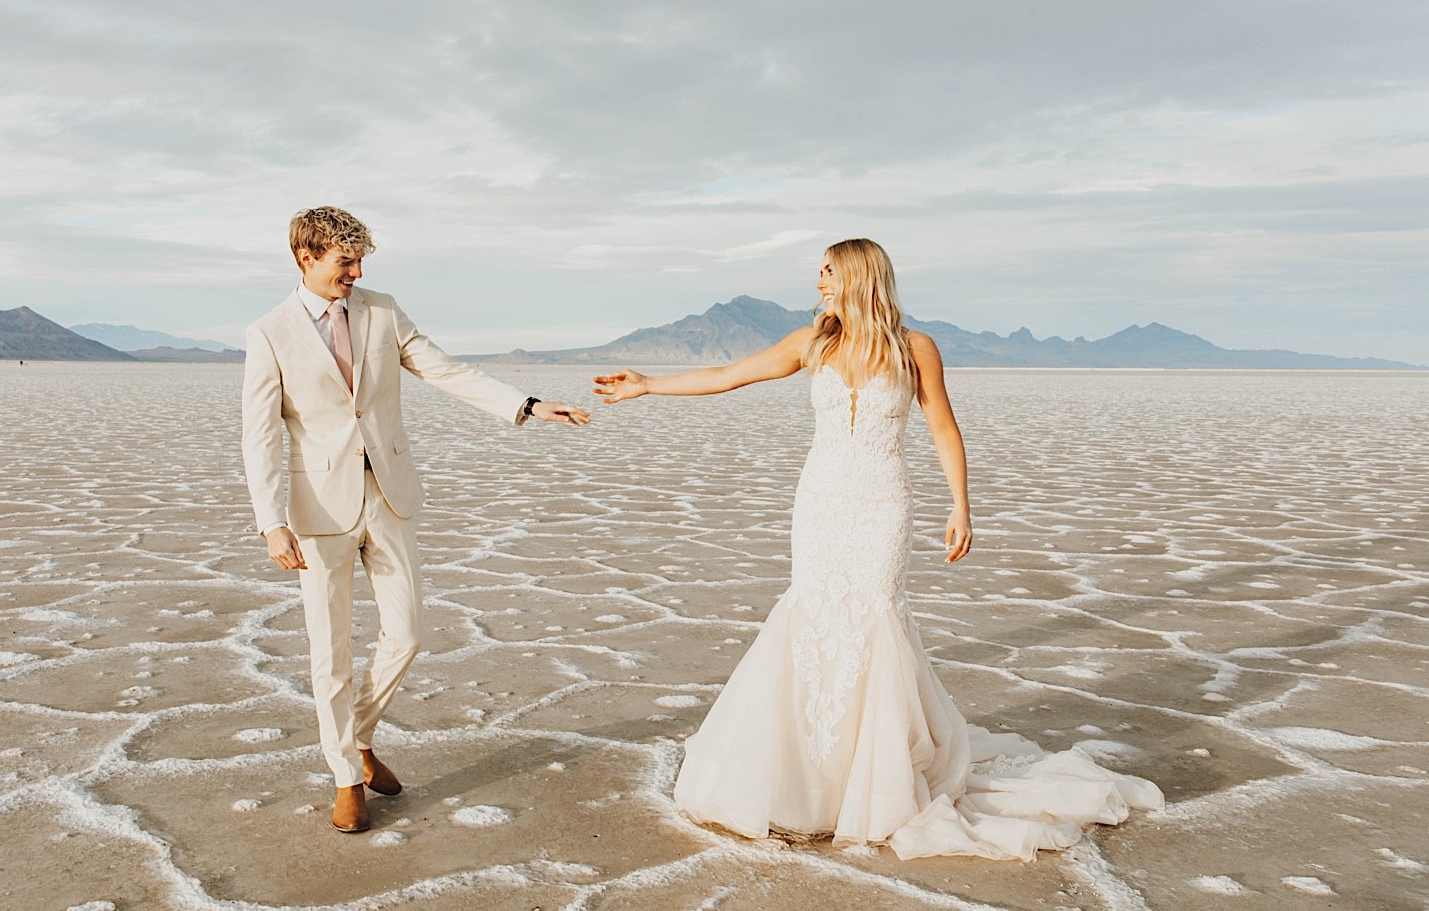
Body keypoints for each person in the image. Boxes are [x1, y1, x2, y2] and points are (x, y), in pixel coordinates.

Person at [593, 238, 1161, 860]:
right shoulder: (815, 343)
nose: (818, 281)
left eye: (828, 270)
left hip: (881, 505)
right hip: (820, 504)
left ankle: (874, 784)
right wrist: (648, 385)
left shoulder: (915, 348)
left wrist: (960, 504)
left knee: (873, 621)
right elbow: (731, 375)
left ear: (859, 275)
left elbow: (943, 426)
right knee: (813, 619)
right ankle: (810, 779)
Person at [242, 206, 589, 833]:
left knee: (406, 633)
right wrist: (272, 521)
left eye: (359, 259)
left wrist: (528, 405)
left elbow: (444, 368)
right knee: (331, 651)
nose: (356, 271)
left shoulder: (381, 309)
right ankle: (346, 774)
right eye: (344, 260)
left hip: (392, 494)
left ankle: (361, 735)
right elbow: (260, 435)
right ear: (306, 258)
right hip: (318, 510)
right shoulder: (268, 333)